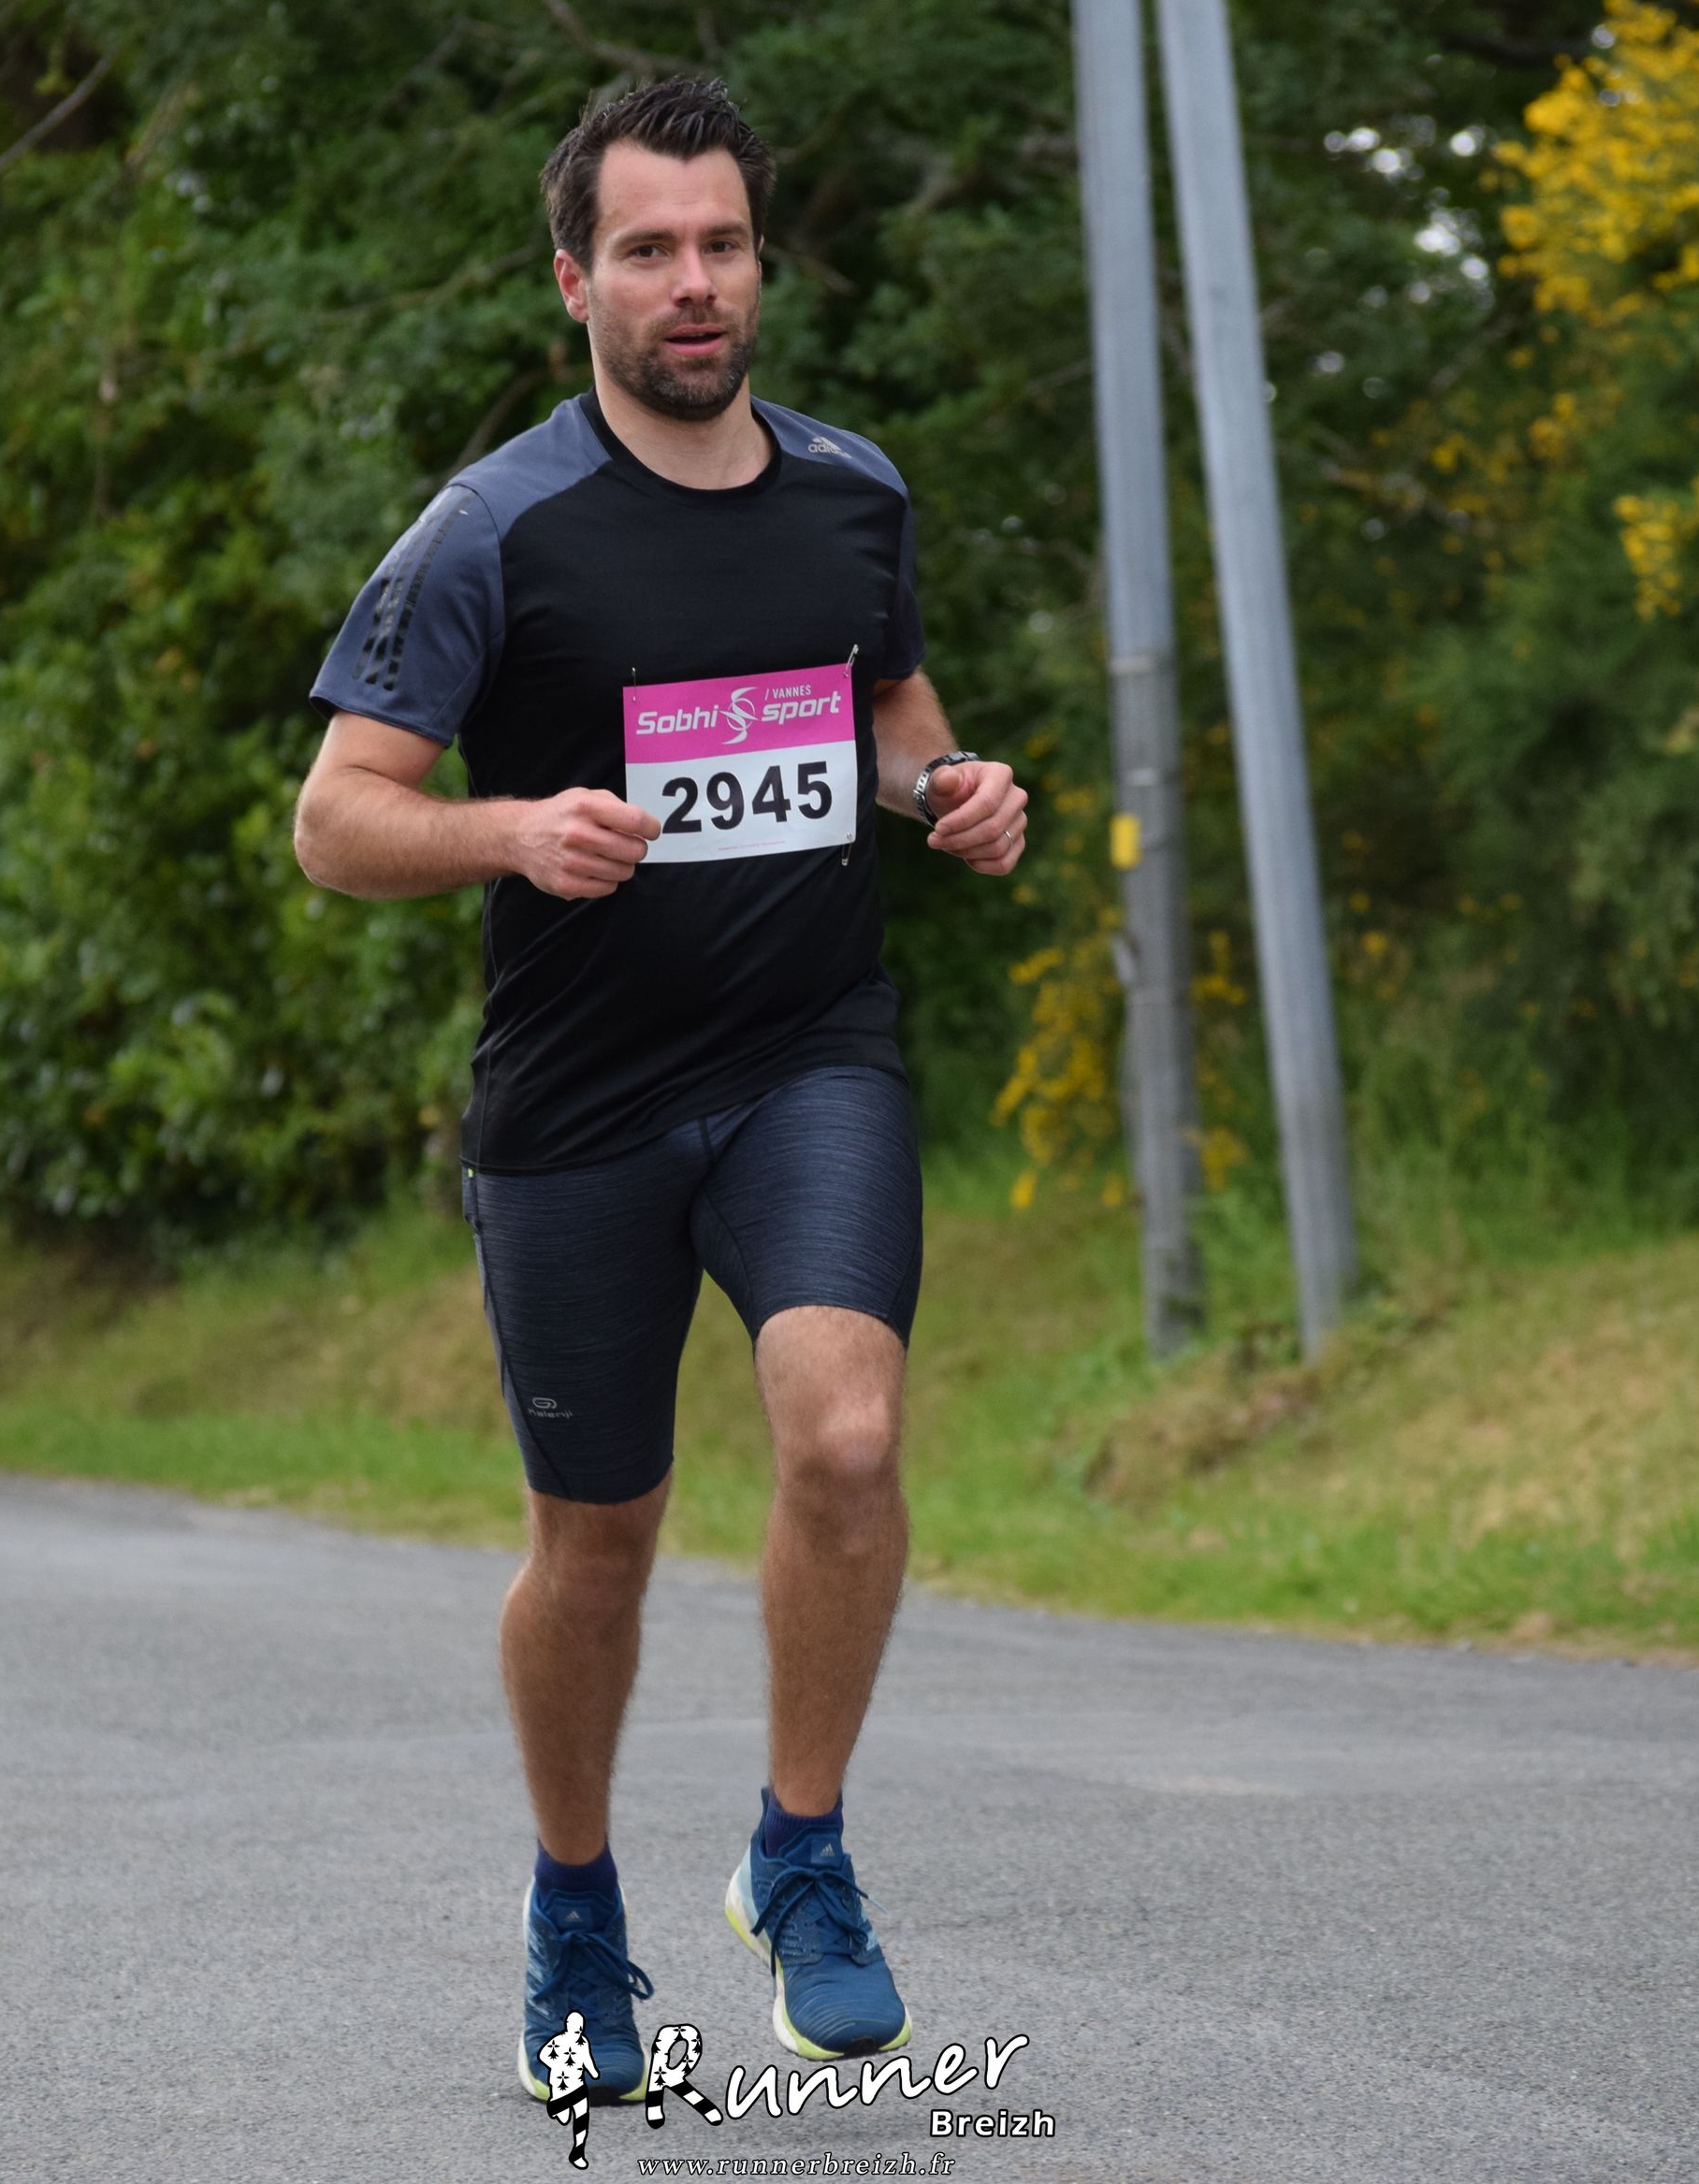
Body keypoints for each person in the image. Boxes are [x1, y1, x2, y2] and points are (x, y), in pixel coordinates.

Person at [291, 75, 1029, 2104]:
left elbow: (884, 706)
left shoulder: (853, 492)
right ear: (575, 281)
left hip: (807, 1057)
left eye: (720, 244)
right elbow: (337, 820)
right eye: (647, 250)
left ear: (759, 264)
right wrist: (513, 832)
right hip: (579, 1107)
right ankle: (571, 1901)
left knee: (847, 1438)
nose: (691, 282)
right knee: (594, 1547)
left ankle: (802, 1855)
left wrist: (946, 790)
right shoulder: (491, 529)